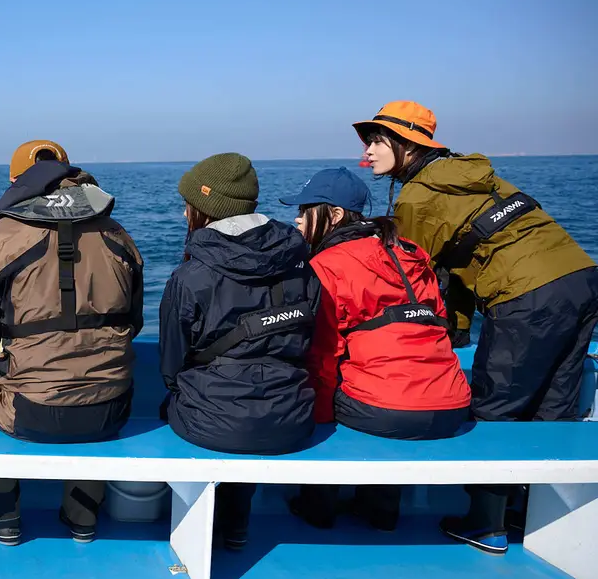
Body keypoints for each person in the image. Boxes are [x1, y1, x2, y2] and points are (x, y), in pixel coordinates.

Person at [356, 100, 598, 553]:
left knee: (496, 405)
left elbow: (420, 275)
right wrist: (461, 326)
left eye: (376, 140)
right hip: (580, 277)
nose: (367, 151)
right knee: (554, 404)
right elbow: (464, 253)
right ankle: (535, 518)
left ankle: (486, 525)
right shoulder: (469, 174)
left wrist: (445, 332)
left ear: (407, 145)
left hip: (526, 295)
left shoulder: (416, 197)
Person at [0, 140, 143, 545]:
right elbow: (135, 322)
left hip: (31, 411)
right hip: (113, 408)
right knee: (94, 385)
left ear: (14, 180)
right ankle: (82, 517)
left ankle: (1, 516)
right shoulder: (116, 233)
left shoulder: (0, 236)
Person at [278, 167, 472, 531]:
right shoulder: (410, 253)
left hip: (388, 411)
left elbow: (324, 354)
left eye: (305, 211)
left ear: (333, 216)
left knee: (334, 393)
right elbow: (438, 321)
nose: (298, 221)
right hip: (453, 405)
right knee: (392, 381)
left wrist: (317, 420)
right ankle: (381, 510)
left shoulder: (327, 265)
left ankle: (318, 507)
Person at [159, 153, 319, 550]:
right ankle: (237, 526)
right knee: (245, 403)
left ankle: (203, 529)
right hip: (291, 416)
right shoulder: (300, 264)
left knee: (204, 404)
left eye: (188, 205)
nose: (183, 214)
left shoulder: (190, 275)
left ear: (204, 210)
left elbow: (171, 364)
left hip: (214, 421)